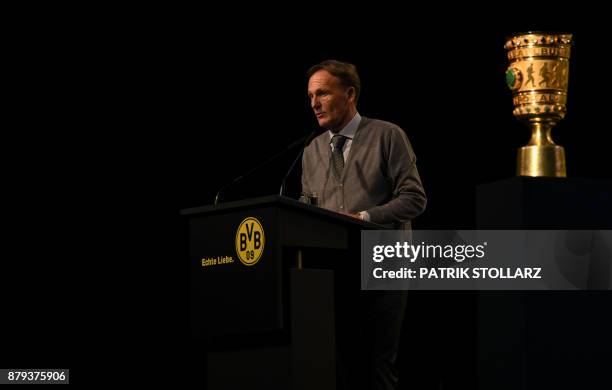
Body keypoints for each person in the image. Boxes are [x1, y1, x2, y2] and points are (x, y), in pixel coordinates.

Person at [302, 59, 427, 390]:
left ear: (350, 93)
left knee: (377, 367)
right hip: (334, 272)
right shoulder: (311, 150)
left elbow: (415, 198)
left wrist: (364, 218)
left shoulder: (388, 135)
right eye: (311, 96)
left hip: (383, 267)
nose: (314, 104)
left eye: (323, 94)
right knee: (340, 366)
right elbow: (306, 210)